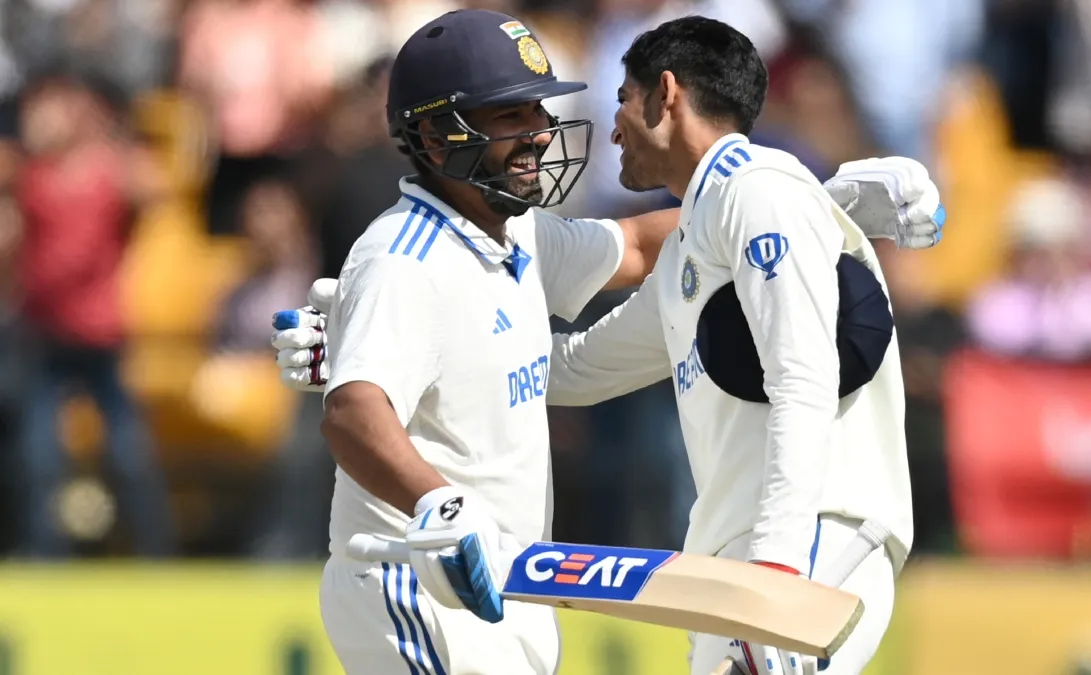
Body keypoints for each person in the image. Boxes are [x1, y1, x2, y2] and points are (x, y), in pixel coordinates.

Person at [273, 10, 943, 675]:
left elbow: (640, 250)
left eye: (537, 110)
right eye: (510, 115)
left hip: (503, 591)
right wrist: (428, 486)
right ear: (436, 133)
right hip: (417, 578)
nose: (540, 131)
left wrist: (813, 205)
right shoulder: (403, 258)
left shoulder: (525, 238)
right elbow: (353, 414)